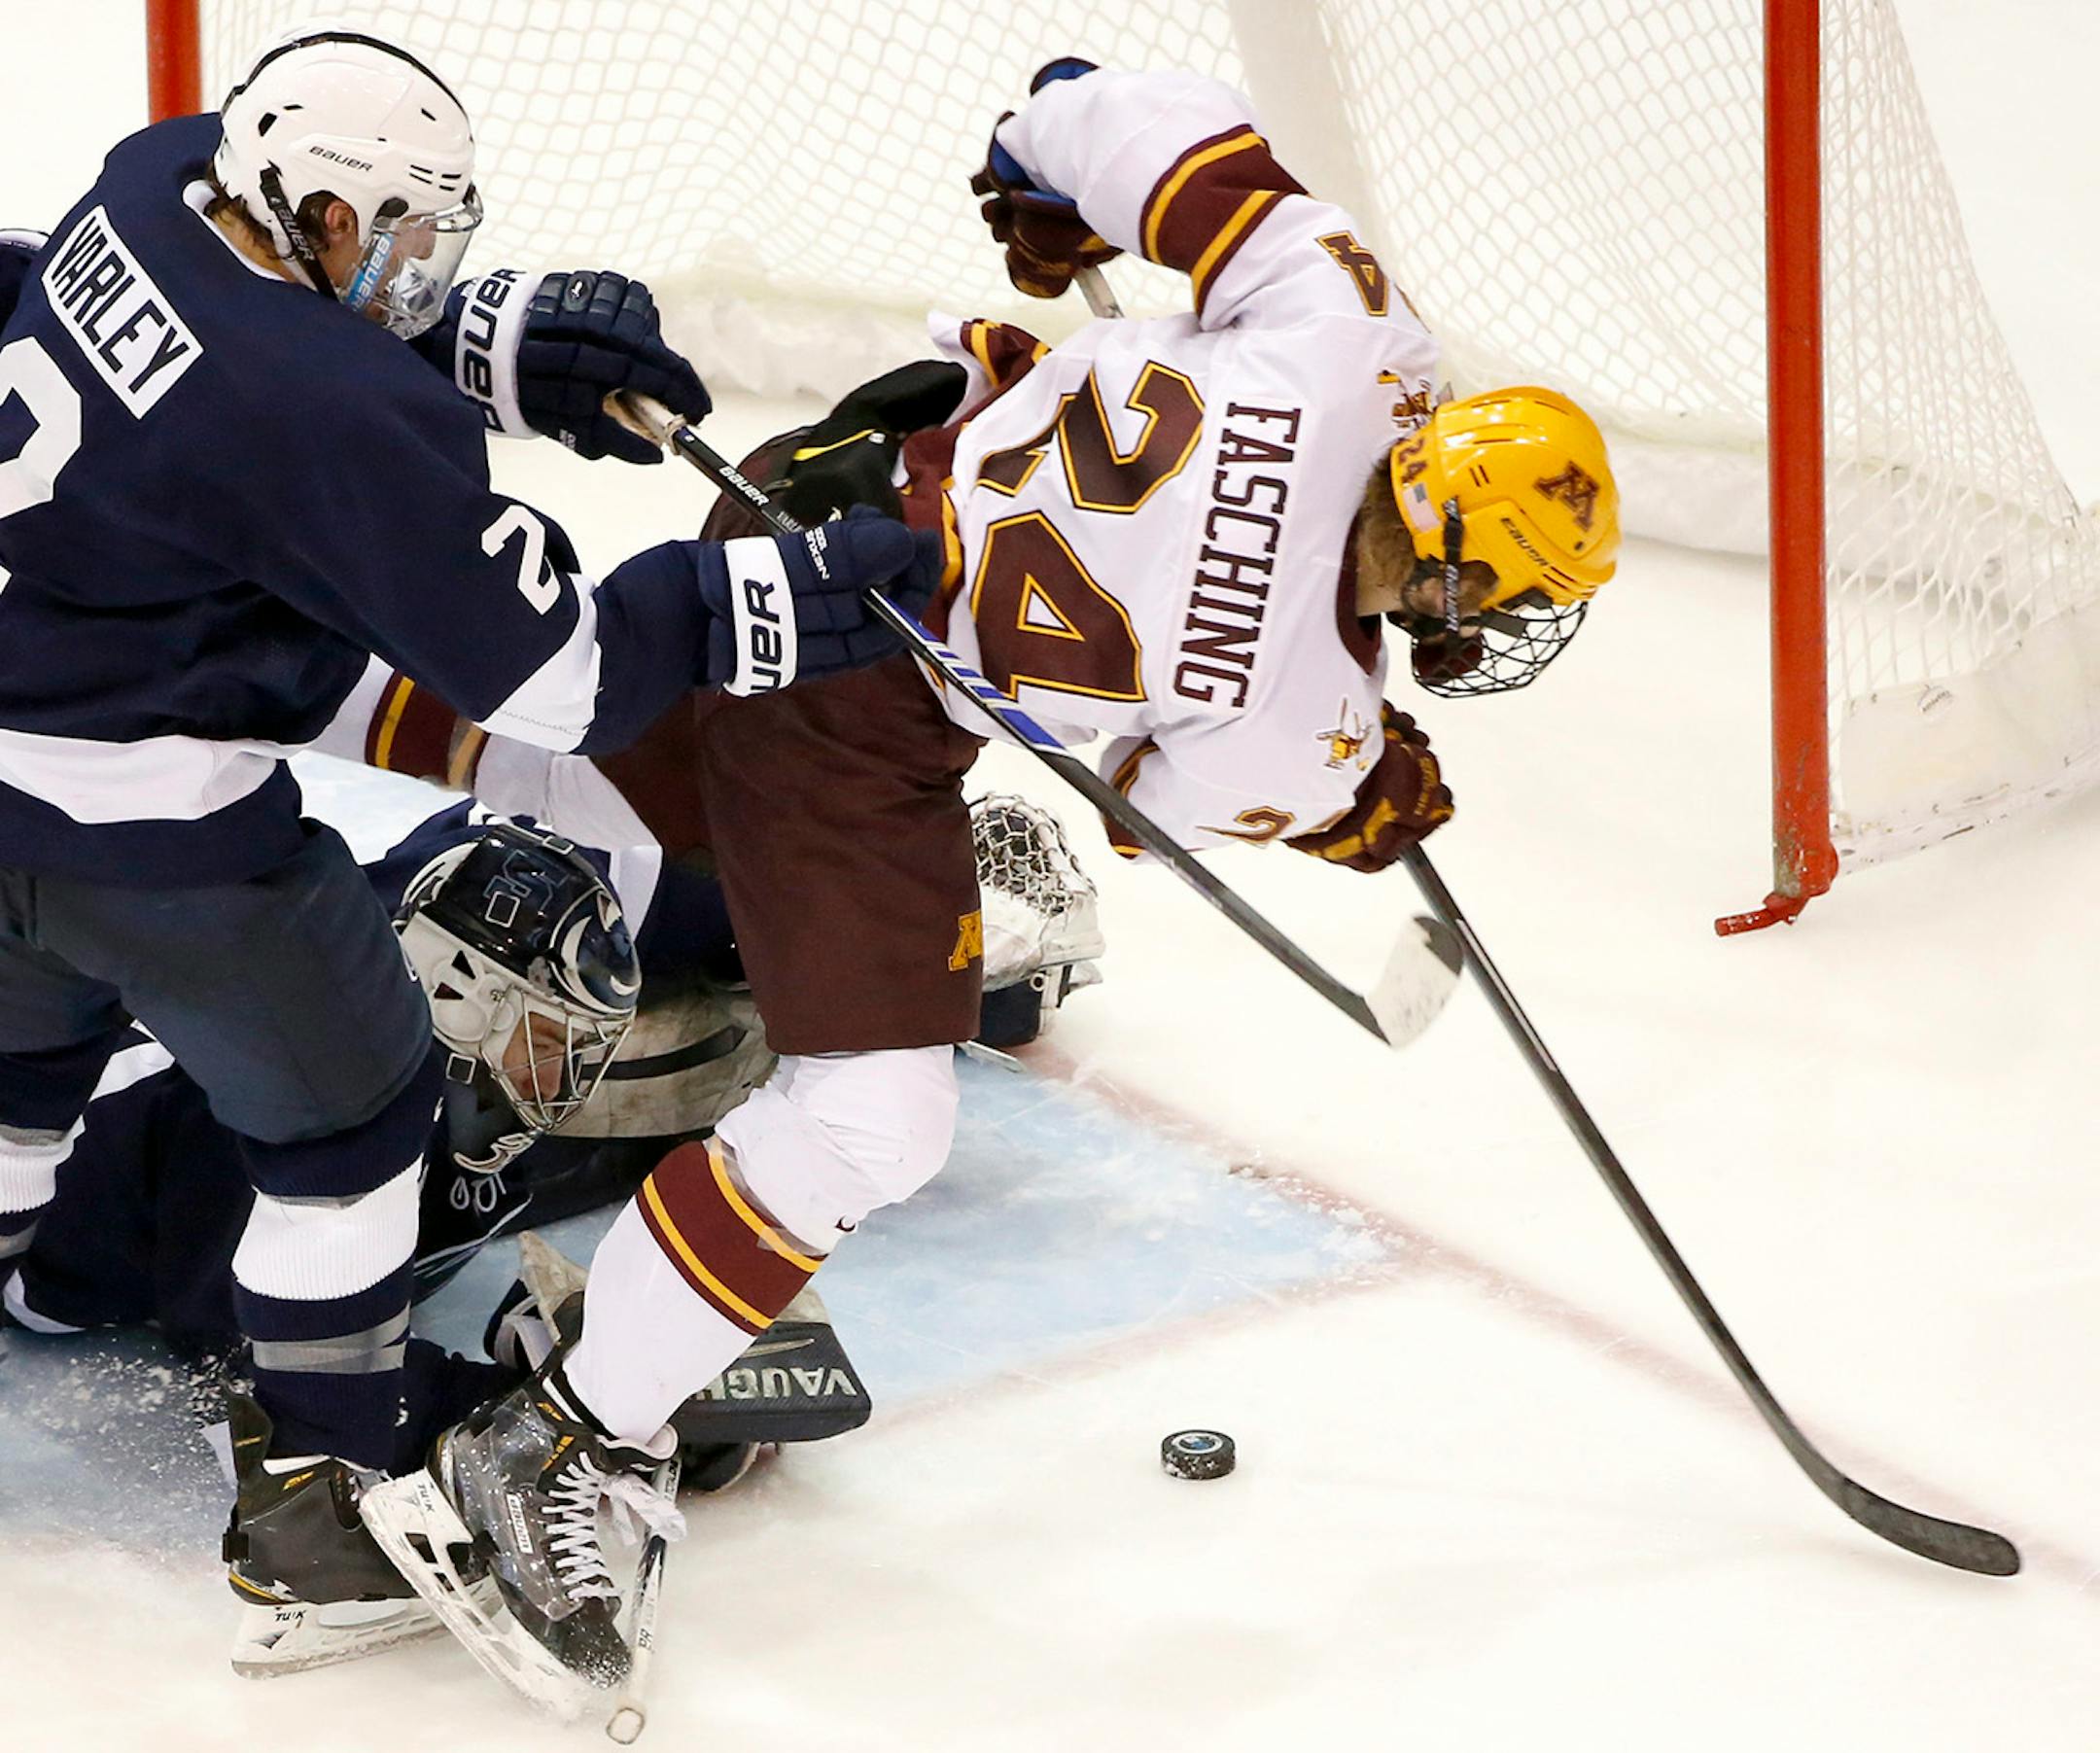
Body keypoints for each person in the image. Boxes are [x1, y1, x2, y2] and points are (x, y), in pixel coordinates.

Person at [355, 61, 1622, 1714]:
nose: (1486, 632)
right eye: (1496, 598)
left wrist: (1043, 162)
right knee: (880, 1118)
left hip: (839, 491)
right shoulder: (1303, 725)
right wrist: (1366, 808)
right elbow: (1152, 801)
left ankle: (163, 682)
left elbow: (1116, 112)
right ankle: (563, 1438)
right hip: (863, 698)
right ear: (1450, 555)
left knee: (551, 727)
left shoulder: (1351, 334)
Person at [0, 18, 933, 1634]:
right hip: (152, 828)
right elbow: (561, 676)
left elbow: (247, 343)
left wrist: (488, 343)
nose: (423, 263)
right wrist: (759, 599)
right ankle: (319, 1489)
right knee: (351, 1130)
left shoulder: (150, 184)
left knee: (22, 1066)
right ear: (318, 203)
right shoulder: (314, 409)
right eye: (405, 236)